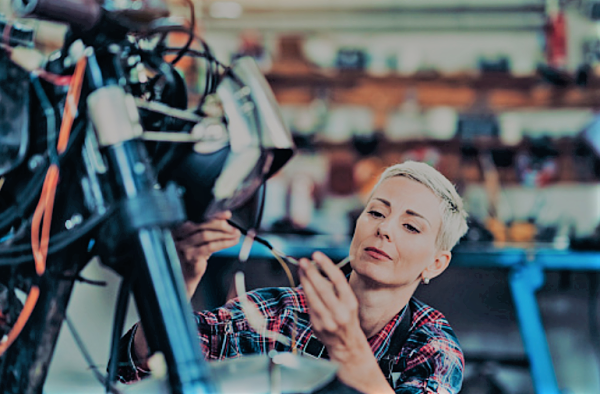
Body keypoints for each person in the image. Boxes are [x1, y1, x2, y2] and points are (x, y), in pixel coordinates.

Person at [117, 160, 469, 393]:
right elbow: (149, 364)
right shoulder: (276, 314)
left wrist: (347, 346)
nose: (385, 229)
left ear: (436, 264)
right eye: (376, 212)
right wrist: (181, 279)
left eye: (410, 226)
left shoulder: (432, 348)